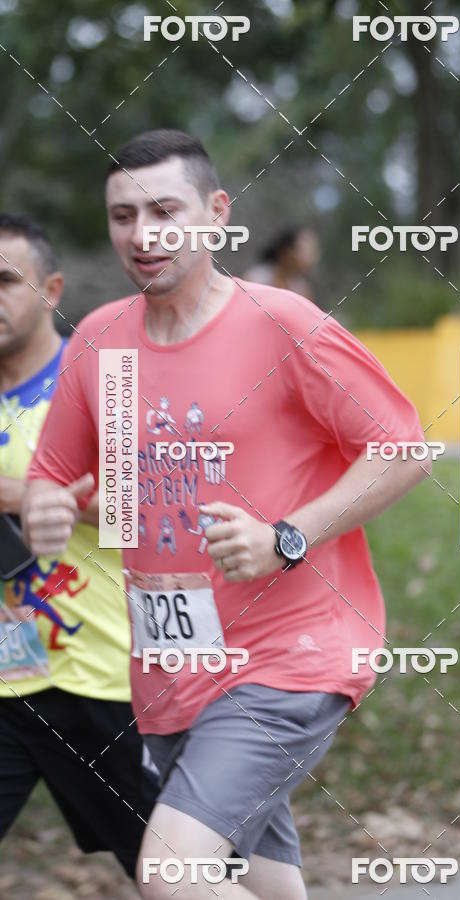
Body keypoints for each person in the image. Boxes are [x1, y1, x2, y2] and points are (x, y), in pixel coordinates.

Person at [23, 130, 430, 900]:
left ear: (216, 214)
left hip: (288, 654)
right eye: (123, 216)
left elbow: (403, 448)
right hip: (174, 664)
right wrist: (48, 510)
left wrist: (288, 535)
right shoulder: (100, 341)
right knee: (264, 884)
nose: (142, 234)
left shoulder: (282, 323)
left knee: (172, 874)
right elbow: (56, 479)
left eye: (164, 211)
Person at [0, 214, 157, 878]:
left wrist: (20, 494)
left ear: (52, 289)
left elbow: (148, 513)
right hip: (8, 679)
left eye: (6, 280)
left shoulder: (102, 381)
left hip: (106, 678)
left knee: (182, 874)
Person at [244, 226, 320, 299]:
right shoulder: (256, 279)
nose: (311, 258)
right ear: (286, 251)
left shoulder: (301, 290)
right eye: (305, 252)